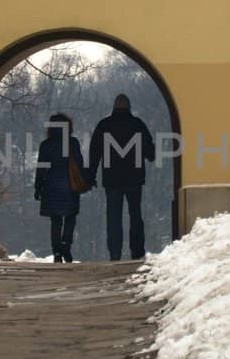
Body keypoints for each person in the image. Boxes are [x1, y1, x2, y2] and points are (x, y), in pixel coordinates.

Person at [88, 93, 156, 261]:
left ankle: (115, 254)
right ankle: (137, 252)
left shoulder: (104, 125)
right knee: (135, 215)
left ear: (114, 107)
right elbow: (151, 153)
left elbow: (94, 152)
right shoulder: (138, 125)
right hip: (134, 178)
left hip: (112, 179)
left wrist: (91, 175)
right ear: (129, 107)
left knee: (113, 217)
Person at [33, 113, 88, 263]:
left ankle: (57, 252)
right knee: (70, 217)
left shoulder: (46, 145)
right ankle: (66, 245)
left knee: (55, 221)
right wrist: (86, 180)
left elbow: (41, 167)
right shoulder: (73, 143)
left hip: (51, 185)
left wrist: (38, 186)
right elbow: (79, 163)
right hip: (70, 185)